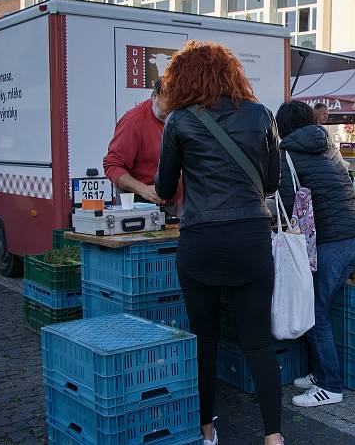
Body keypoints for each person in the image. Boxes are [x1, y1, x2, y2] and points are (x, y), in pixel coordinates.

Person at [154, 42, 283, 445]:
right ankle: (274, 436)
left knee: (204, 340)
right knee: (258, 342)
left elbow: (163, 186)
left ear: (183, 78)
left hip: (201, 240)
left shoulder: (178, 121)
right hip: (250, 237)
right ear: (233, 73)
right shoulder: (261, 114)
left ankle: (207, 429)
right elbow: (273, 183)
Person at [275, 101, 355, 407]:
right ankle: (319, 373)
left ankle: (330, 385)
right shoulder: (328, 146)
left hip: (331, 243)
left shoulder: (286, 155)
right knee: (319, 306)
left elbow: (288, 207)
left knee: (315, 311)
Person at [103, 79, 181, 211]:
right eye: (167, 106)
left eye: (175, 107)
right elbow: (113, 165)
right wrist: (144, 189)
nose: (170, 112)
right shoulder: (133, 122)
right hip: (140, 207)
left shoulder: (178, 117)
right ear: (154, 96)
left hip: (172, 204)